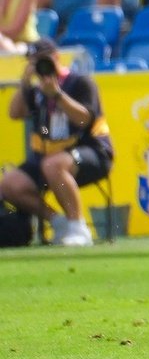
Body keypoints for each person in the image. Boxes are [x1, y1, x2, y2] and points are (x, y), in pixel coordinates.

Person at [0, 37, 113, 247]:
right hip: (49, 157)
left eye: (44, 60)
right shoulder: (37, 90)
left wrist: (58, 95)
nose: (41, 66)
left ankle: (78, 227)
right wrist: (25, 82)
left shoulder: (80, 83)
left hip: (91, 152)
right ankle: (59, 222)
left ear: (57, 58)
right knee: (10, 184)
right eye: (34, 62)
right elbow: (15, 114)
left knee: (53, 165)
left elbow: (84, 119)